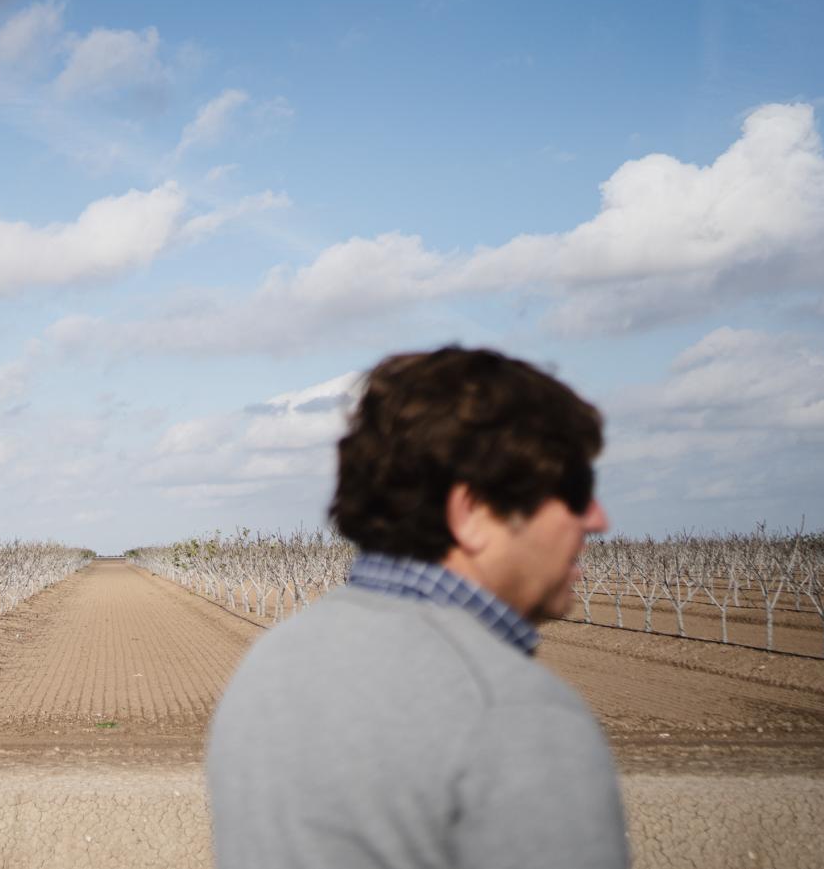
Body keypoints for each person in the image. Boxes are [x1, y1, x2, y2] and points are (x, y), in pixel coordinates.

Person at [207, 346, 629, 869]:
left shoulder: (273, 659)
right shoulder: (511, 714)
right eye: (575, 491)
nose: (597, 519)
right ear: (472, 512)